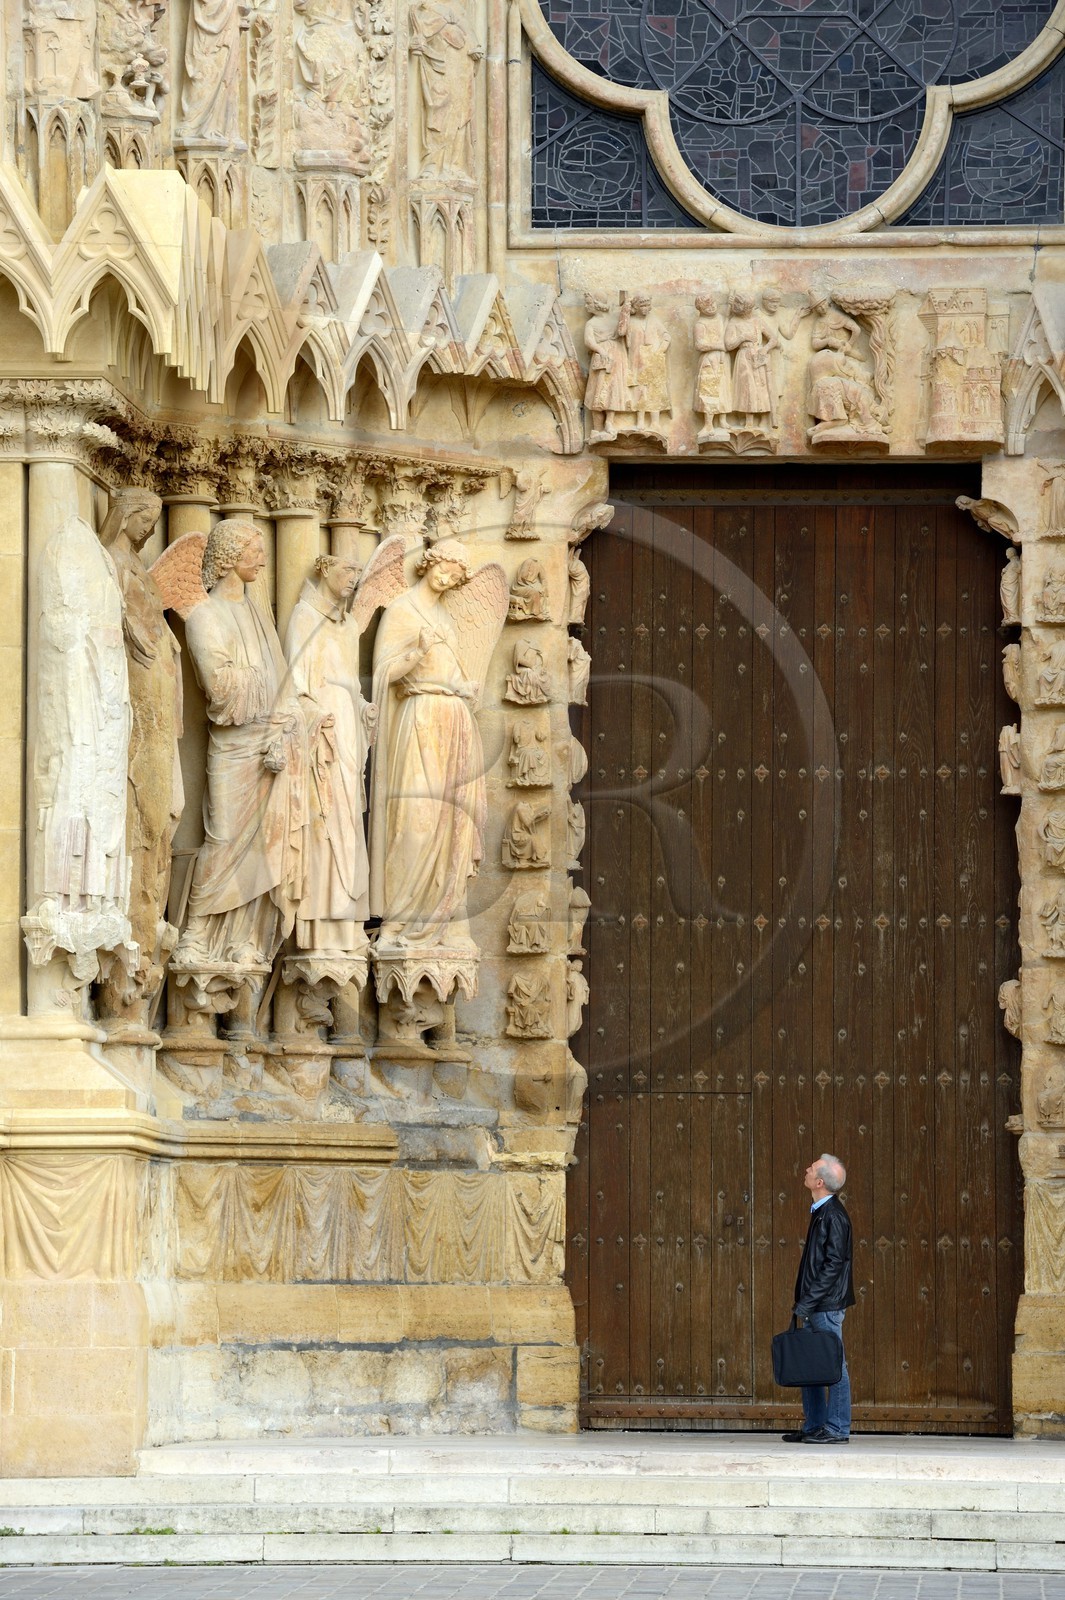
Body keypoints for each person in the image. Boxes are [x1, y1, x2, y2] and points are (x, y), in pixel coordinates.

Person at [782, 1153, 854, 1444]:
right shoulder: (821, 1211)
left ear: (820, 1181)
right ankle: (814, 1425)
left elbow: (833, 1264)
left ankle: (837, 1428)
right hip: (816, 1305)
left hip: (825, 1306)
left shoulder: (834, 1215)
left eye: (810, 1168)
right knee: (810, 1365)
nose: (806, 1169)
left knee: (835, 1366)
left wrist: (809, 1301)